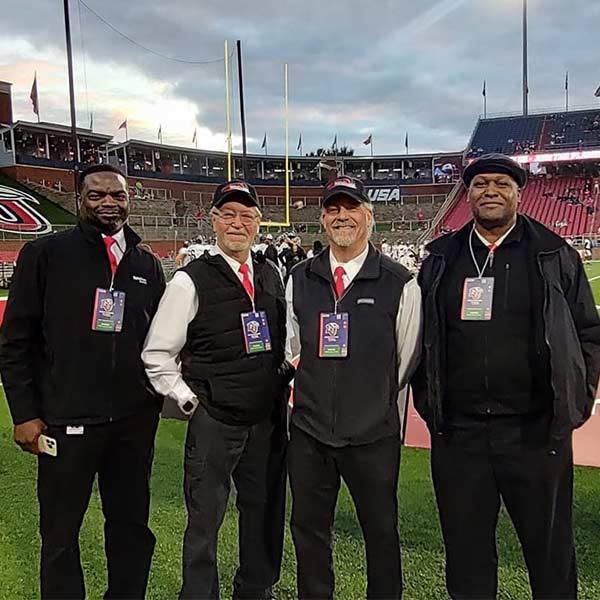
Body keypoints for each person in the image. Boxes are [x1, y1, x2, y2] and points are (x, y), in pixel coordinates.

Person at [414, 153, 600, 600]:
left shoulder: (554, 252)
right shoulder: (441, 257)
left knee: (549, 552)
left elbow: (589, 331)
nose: (490, 192)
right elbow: (420, 336)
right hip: (460, 435)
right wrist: (430, 403)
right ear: (468, 194)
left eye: (501, 184)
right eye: (480, 184)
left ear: (518, 191)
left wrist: (577, 397)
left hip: (534, 431)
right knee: (467, 553)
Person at [0, 163, 166, 599]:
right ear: (79, 200)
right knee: (60, 534)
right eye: (96, 195)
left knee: (131, 528)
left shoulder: (146, 263)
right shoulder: (45, 255)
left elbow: (160, 341)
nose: (109, 202)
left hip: (132, 423)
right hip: (65, 421)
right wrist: (25, 413)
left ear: (129, 199)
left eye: (117, 195)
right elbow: (15, 339)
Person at [142, 179, 293, 600]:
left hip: (264, 420)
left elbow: (282, 339)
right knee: (205, 522)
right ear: (213, 221)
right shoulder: (189, 281)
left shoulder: (269, 273)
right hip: (216, 422)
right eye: (228, 214)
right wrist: (191, 399)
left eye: (247, 215)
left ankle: (255, 591)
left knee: (262, 512)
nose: (238, 223)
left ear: (259, 223)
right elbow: (157, 354)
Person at [285, 176, 422, 599]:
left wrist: (368, 397)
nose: (341, 216)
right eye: (332, 209)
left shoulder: (400, 282)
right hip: (310, 432)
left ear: (369, 216)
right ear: (323, 219)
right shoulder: (299, 278)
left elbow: (406, 357)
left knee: (380, 532)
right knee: (309, 532)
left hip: (372, 435)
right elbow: (293, 350)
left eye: (351, 208)